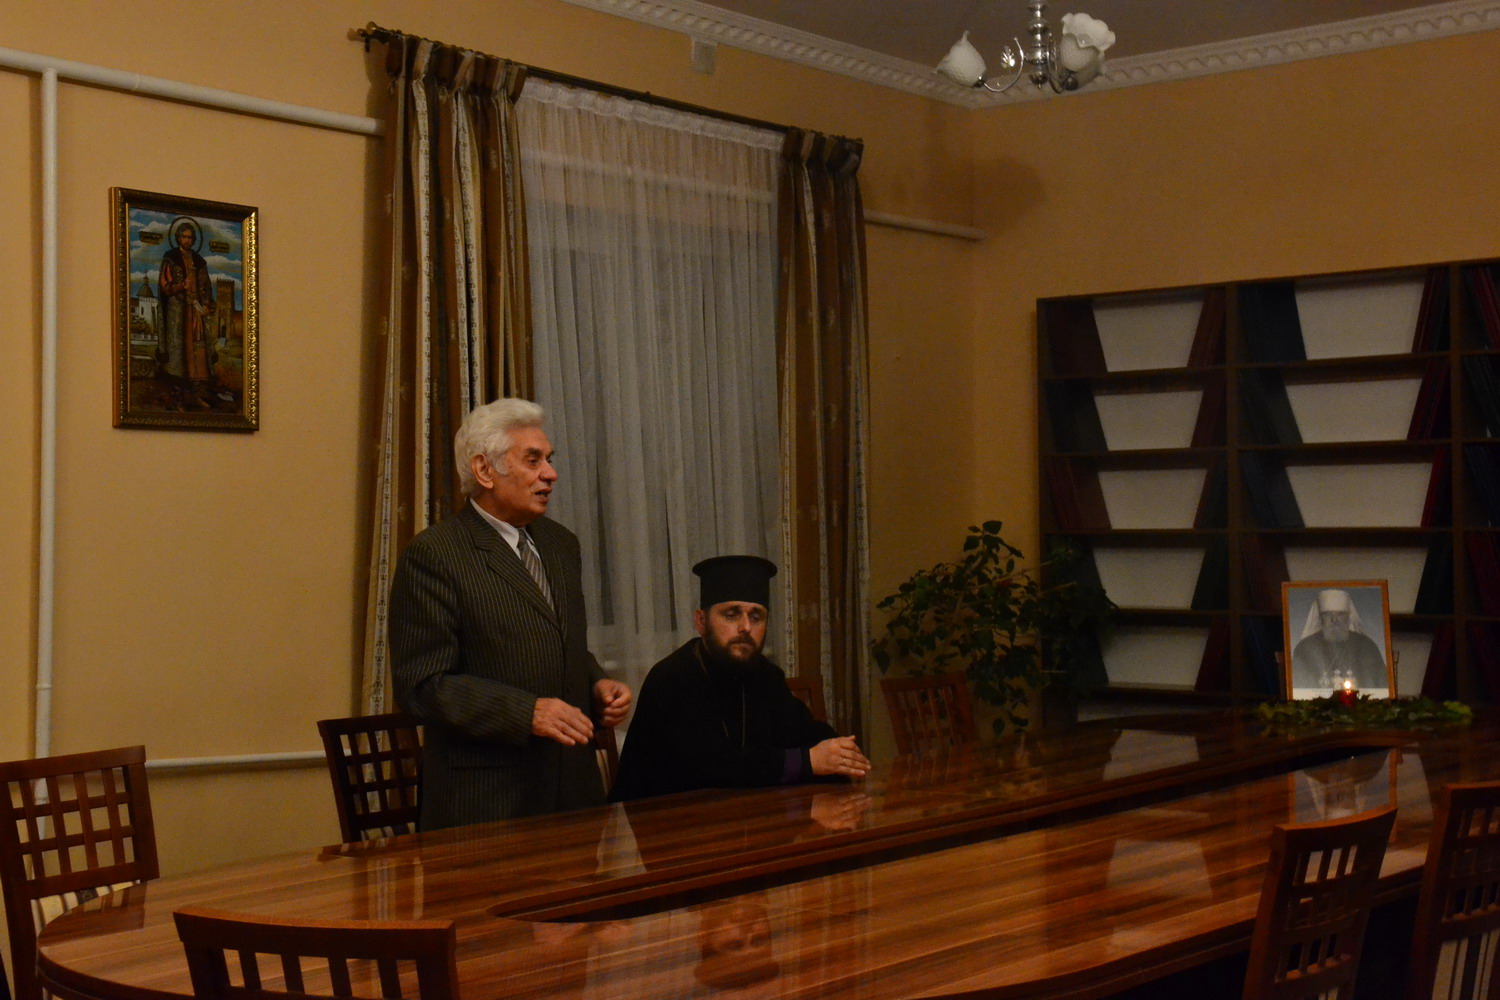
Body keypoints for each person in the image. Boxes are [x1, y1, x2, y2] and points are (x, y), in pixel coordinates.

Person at [389, 398, 631, 830]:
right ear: (484, 470)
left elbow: (560, 642)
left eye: (549, 459)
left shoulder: (561, 544)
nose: (550, 474)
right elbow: (422, 686)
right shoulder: (435, 555)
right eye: (533, 460)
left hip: (574, 796)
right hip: (488, 803)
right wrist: (526, 712)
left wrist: (595, 684)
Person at [611, 555, 869, 801]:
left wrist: (839, 751)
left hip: (746, 815)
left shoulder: (765, 674)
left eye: (756, 617)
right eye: (732, 614)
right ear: (701, 622)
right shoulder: (671, 679)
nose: (746, 627)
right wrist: (808, 761)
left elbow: (802, 731)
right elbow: (711, 767)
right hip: (667, 820)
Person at [156, 220, 215, 408]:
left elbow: (206, 286)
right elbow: (165, 286)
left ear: (194, 240)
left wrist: (206, 304)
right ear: (178, 238)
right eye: (184, 236)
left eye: (190, 237)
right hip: (179, 314)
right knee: (180, 354)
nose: (187, 240)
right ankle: (178, 396)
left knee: (198, 352)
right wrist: (182, 285)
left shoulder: (199, 261)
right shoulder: (171, 258)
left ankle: (198, 392)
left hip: (196, 312)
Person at [1290, 588, 1387, 691]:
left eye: (1340, 614)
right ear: (1321, 619)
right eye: (1328, 615)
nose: (1334, 620)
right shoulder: (1305, 648)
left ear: (1348, 618)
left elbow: (1378, 687)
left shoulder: (1366, 646)